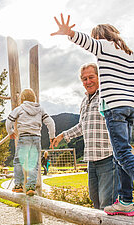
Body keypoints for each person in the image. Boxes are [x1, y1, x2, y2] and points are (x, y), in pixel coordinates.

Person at [51, 14, 134, 222]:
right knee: (121, 155)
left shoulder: (104, 46)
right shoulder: (128, 52)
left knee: (123, 154)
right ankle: (126, 201)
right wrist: (127, 85)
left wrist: (69, 33)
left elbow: (86, 42)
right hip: (132, 107)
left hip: (115, 106)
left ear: (100, 36)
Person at [52, 63, 118, 210]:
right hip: (91, 160)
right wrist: (63, 135)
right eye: (84, 79)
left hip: (108, 157)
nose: (88, 82)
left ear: (99, 77)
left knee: (107, 205)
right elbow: (82, 125)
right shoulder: (84, 100)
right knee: (95, 202)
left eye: (91, 77)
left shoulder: (107, 95)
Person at [6, 88, 55, 196]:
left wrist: (11, 132)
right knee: (34, 163)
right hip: (36, 138)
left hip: (23, 137)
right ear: (34, 98)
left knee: (19, 161)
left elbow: (9, 120)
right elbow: (50, 122)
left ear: (22, 99)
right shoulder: (40, 109)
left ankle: (18, 185)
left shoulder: (20, 108)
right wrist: (52, 136)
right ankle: (31, 187)